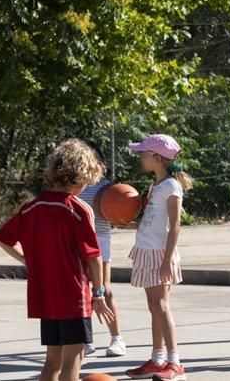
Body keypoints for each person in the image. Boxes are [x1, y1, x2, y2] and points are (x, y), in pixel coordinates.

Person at [0, 138, 117, 381]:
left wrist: (27, 260)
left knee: (52, 362)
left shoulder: (32, 207)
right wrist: (99, 294)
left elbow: (2, 238)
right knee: (75, 357)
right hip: (72, 296)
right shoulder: (78, 209)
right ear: (82, 175)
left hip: (45, 295)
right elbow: (93, 257)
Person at [123, 134, 193, 381]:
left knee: (162, 307)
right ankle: (157, 359)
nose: (140, 157)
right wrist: (132, 225)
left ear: (157, 157)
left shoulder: (172, 186)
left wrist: (166, 261)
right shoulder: (156, 185)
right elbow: (153, 221)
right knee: (154, 307)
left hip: (160, 254)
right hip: (145, 249)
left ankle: (175, 363)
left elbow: (175, 226)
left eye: (143, 153)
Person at [79, 141, 127, 358]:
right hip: (77, 240)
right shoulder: (74, 185)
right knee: (81, 290)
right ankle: (85, 339)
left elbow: (119, 216)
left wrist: (126, 215)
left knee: (104, 289)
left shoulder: (108, 188)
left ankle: (117, 339)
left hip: (99, 240)